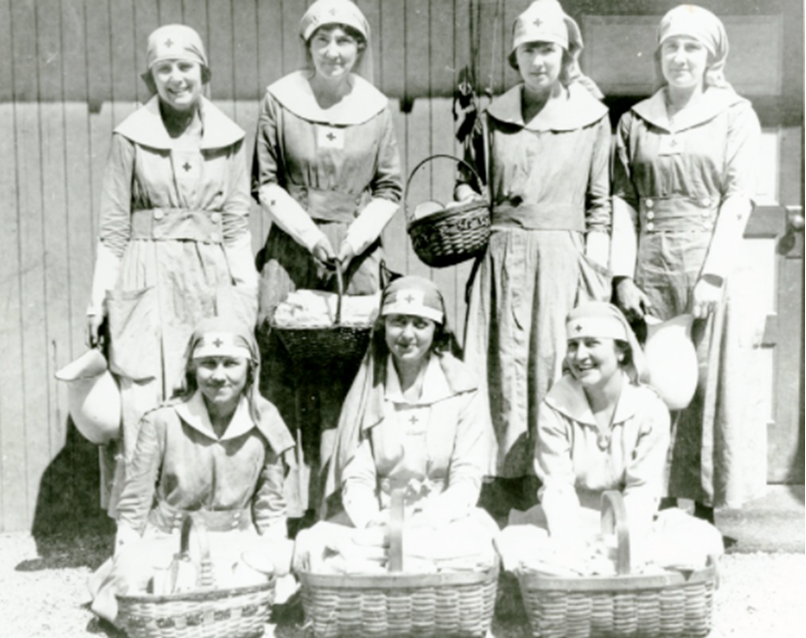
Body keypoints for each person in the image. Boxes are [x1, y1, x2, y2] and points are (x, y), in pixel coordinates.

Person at [85, 24, 258, 515]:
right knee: (143, 400)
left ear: (203, 72)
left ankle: (213, 523)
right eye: (164, 69)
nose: (176, 78)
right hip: (146, 275)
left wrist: (246, 290)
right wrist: (98, 299)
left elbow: (237, 223)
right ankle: (135, 536)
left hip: (210, 277)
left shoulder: (230, 139)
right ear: (151, 76)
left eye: (185, 67)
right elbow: (113, 228)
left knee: (212, 389)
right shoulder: (129, 137)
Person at [455, 0, 611, 518]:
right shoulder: (491, 118)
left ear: (565, 55)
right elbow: (468, 182)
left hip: (563, 261)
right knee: (495, 367)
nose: (538, 60)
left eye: (548, 49)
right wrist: (461, 196)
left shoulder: (592, 120)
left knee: (552, 365)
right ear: (515, 57)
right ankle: (495, 490)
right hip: (501, 258)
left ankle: (557, 491)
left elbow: (600, 204)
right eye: (529, 50)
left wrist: (597, 270)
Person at [251, 0, 402, 526]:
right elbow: (264, 182)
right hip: (294, 249)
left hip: (355, 257)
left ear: (359, 47)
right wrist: (311, 237)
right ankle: (281, 504)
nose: (333, 51)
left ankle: (343, 499)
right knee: (283, 367)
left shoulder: (376, 108)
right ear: (308, 46)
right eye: (322, 41)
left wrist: (354, 239)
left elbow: (389, 188)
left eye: (345, 41)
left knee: (351, 370)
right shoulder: (279, 100)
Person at [611, 4, 764, 521]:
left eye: (692, 47)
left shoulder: (734, 115)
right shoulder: (635, 121)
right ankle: (648, 505)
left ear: (711, 56)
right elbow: (623, 201)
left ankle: (700, 512)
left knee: (704, 379)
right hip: (651, 265)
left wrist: (714, 274)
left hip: (708, 262)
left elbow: (738, 198)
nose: (681, 57)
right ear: (659, 55)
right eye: (672, 47)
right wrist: (621, 277)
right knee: (653, 381)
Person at [88, 317, 295, 625]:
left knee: (287, 577)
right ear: (192, 369)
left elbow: (270, 504)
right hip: (169, 542)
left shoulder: (266, 423)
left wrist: (277, 557)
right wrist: (127, 556)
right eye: (208, 364)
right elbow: (135, 501)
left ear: (250, 369)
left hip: (237, 542)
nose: (219, 376)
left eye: (231, 364)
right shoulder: (161, 421)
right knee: (136, 585)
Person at [294, 277, 497, 574]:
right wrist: (374, 520)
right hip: (378, 520)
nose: (407, 335)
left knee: (476, 548)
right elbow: (357, 472)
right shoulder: (368, 387)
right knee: (320, 549)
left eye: (420, 324)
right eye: (398, 322)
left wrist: (433, 518)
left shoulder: (463, 386)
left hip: (441, 518)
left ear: (437, 329)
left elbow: (466, 473)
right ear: (383, 326)